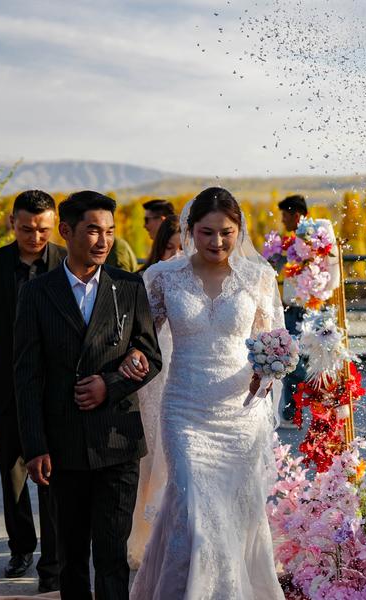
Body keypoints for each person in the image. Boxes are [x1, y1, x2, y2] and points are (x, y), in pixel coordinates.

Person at [127, 187, 285, 599]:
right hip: (184, 410)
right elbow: (140, 339)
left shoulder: (259, 278)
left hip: (240, 415)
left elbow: (271, 343)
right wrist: (133, 359)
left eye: (226, 233)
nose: (217, 242)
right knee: (194, 508)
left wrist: (266, 375)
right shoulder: (163, 278)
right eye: (207, 232)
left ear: (239, 231)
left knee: (232, 513)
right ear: (190, 230)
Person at [14, 190, 162, 600]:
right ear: (66, 231)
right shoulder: (37, 293)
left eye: (110, 231)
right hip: (63, 444)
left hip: (117, 439)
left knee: (112, 555)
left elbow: (151, 355)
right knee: (72, 555)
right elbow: (26, 376)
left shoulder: (128, 286)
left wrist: (109, 385)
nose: (104, 240)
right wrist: (35, 447)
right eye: (93, 230)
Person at [0, 190, 65, 591]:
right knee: (13, 474)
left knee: (54, 475)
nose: (35, 237)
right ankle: (21, 548)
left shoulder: (66, 261)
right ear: (12, 223)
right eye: (26, 229)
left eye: (43, 229)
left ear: (55, 225)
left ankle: (54, 558)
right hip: (3, 385)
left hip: (54, 389)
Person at [126, 214, 181, 568]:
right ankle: (145, 536)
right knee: (152, 456)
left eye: (182, 248)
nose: (176, 256)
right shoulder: (151, 280)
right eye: (169, 248)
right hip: (155, 377)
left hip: (187, 374)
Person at [277, 194, 309, 426]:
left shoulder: (311, 244)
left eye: (285, 216)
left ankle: (304, 403)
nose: (282, 220)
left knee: (295, 364)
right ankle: (292, 413)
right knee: (291, 360)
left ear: (296, 215)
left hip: (304, 311)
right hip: (290, 309)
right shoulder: (291, 244)